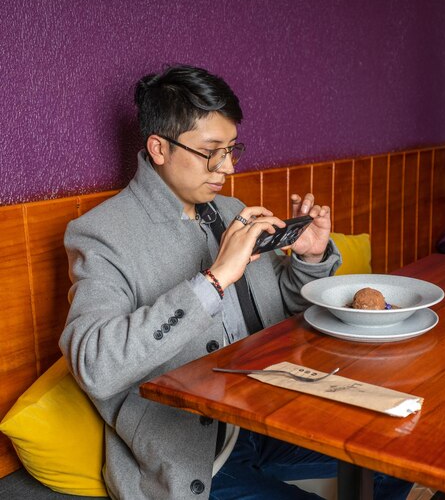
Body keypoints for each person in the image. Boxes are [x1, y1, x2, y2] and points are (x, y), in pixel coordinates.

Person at [59, 65, 413, 500]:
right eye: (212, 151)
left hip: (268, 414)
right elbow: (95, 365)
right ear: (159, 148)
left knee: (400, 457)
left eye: (231, 149)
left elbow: (283, 308)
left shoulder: (231, 210)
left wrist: (312, 257)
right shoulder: (103, 234)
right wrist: (213, 280)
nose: (226, 167)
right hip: (196, 451)